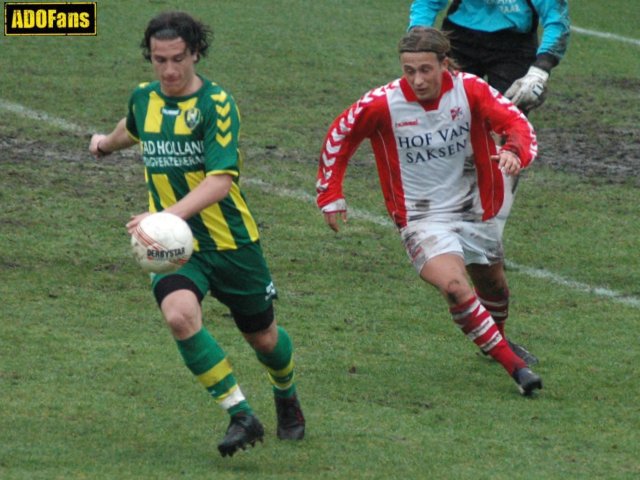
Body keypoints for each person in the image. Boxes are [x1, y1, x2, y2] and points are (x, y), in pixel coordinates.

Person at [89, 11, 305, 457]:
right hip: (176, 250)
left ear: (196, 54)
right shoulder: (144, 98)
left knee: (264, 339)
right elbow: (132, 129)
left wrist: (162, 217)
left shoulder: (217, 104)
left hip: (231, 243)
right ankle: (240, 413)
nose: (168, 70)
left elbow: (220, 180)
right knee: (179, 317)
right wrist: (104, 145)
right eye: (158, 60)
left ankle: (286, 394)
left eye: (178, 59)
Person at [315, 27, 543, 396]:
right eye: (409, 70)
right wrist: (330, 193)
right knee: (454, 287)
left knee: (494, 284)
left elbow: (516, 123)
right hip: (421, 218)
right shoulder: (382, 103)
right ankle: (515, 368)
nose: (417, 80)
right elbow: (341, 134)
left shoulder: (470, 90)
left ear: (444, 64)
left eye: (425, 69)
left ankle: (496, 340)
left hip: (474, 208)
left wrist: (515, 151)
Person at [408, 0, 570, 365]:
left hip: (513, 51)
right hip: (457, 42)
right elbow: (426, 3)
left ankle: (488, 220)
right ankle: (436, 214)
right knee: (448, 131)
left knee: (505, 134)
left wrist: (541, 69)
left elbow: (556, 20)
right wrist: (420, 44)